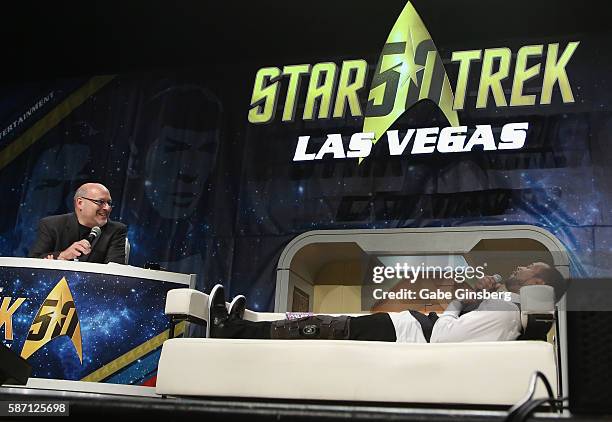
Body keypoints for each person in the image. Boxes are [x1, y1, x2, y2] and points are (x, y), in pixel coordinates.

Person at [207, 262, 566, 343]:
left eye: (530, 268)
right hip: (404, 329)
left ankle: (232, 330)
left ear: (538, 282)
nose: (520, 267)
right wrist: (476, 296)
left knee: (320, 328)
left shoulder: (505, 311)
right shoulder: (501, 305)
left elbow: (445, 336)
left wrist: (459, 299)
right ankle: (241, 326)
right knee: (322, 324)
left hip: (407, 334)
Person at [28, 183, 127, 264]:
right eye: (100, 202)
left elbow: (115, 269)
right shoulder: (51, 225)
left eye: (109, 203)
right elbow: (33, 261)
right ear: (80, 203)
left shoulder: (116, 230)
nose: (107, 208)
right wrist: (63, 255)